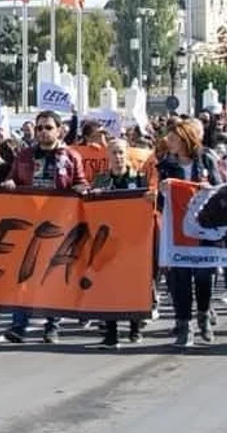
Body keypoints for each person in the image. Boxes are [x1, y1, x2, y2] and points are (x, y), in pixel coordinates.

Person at [5, 110, 88, 344]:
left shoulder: (71, 157)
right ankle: (19, 325)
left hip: (60, 224)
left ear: (59, 130)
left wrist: (82, 188)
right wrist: (10, 183)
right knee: (24, 274)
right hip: (28, 223)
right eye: (39, 128)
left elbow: (81, 183)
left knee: (53, 275)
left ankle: (52, 325)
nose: (43, 132)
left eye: (48, 128)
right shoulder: (24, 156)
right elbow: (13, 179)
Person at [158, 118, 225, 348]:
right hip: (177, 230)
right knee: (180, 279)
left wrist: (209, 189)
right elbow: (158, 200)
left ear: (186, 140)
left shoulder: (206, 158)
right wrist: (163, 190)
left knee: (204, 276)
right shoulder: (166, 164)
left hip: (203, 228)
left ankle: (204, 313)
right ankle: (184, 324)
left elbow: (220, 189)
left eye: (174, 139)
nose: (170, 143)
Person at [91, 139, 149, 348]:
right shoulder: (100, 181)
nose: (118, 157)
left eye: (121, 153)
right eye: (114, 153)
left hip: (133, 240)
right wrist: (94, 196)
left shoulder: (139, 179)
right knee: (109, 286)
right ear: (108, 156)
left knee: (132, 284)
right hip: (108, 240)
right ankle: (111, 332)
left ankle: (135, 326)